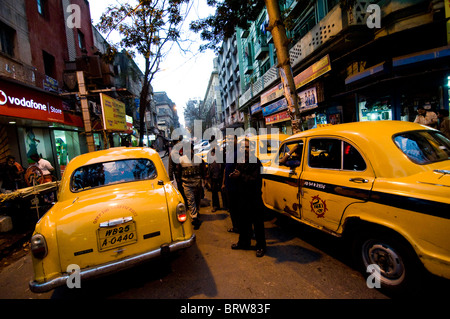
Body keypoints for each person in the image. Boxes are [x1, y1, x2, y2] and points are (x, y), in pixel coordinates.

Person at [230, 138, 267, 258]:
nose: (245, 149)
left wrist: (240, 176)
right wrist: (234, 176)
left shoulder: (256, 162)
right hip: (242, 197)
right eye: (243, 147)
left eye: (247, 147)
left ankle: (261, 246)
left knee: (258, 224)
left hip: (254, 198)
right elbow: (239, 175)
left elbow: (255, 180)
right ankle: (243, 243)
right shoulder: (240, 161)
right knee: (243, 222)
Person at [179, 142, 206, 229]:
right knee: (191, 201)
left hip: (197, 184)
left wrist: (204, 180)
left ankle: (196, 213)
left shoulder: (198, 159)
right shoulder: (181, 160)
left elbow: (203, 169)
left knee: (197, 201)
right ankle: (194, 218)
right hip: (187, 185)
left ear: (192, 150)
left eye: (189, 149)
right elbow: (178, 172)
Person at [222, 135, 239, 233]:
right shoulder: (229, 153)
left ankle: (240, 228)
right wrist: (223, 183)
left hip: (237, 186)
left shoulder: (239, 153)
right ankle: (235, 226)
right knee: (232, 208)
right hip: (229, 186)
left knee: (238, 209)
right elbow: (226, 169)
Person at [168, 137, 186, 202]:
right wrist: (171, 179)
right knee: (181, 189)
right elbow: (170, 167)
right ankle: (184, 203)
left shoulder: (185, 151)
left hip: (187, 174)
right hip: (179, 175)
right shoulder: (173, 153)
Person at [207, 147, 223, 212]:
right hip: (215, 178)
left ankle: (217, 206)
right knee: (215, 193)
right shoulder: (215, 160)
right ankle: (216, 206)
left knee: (217, 193)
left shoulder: (216, 159)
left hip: (217, 177)